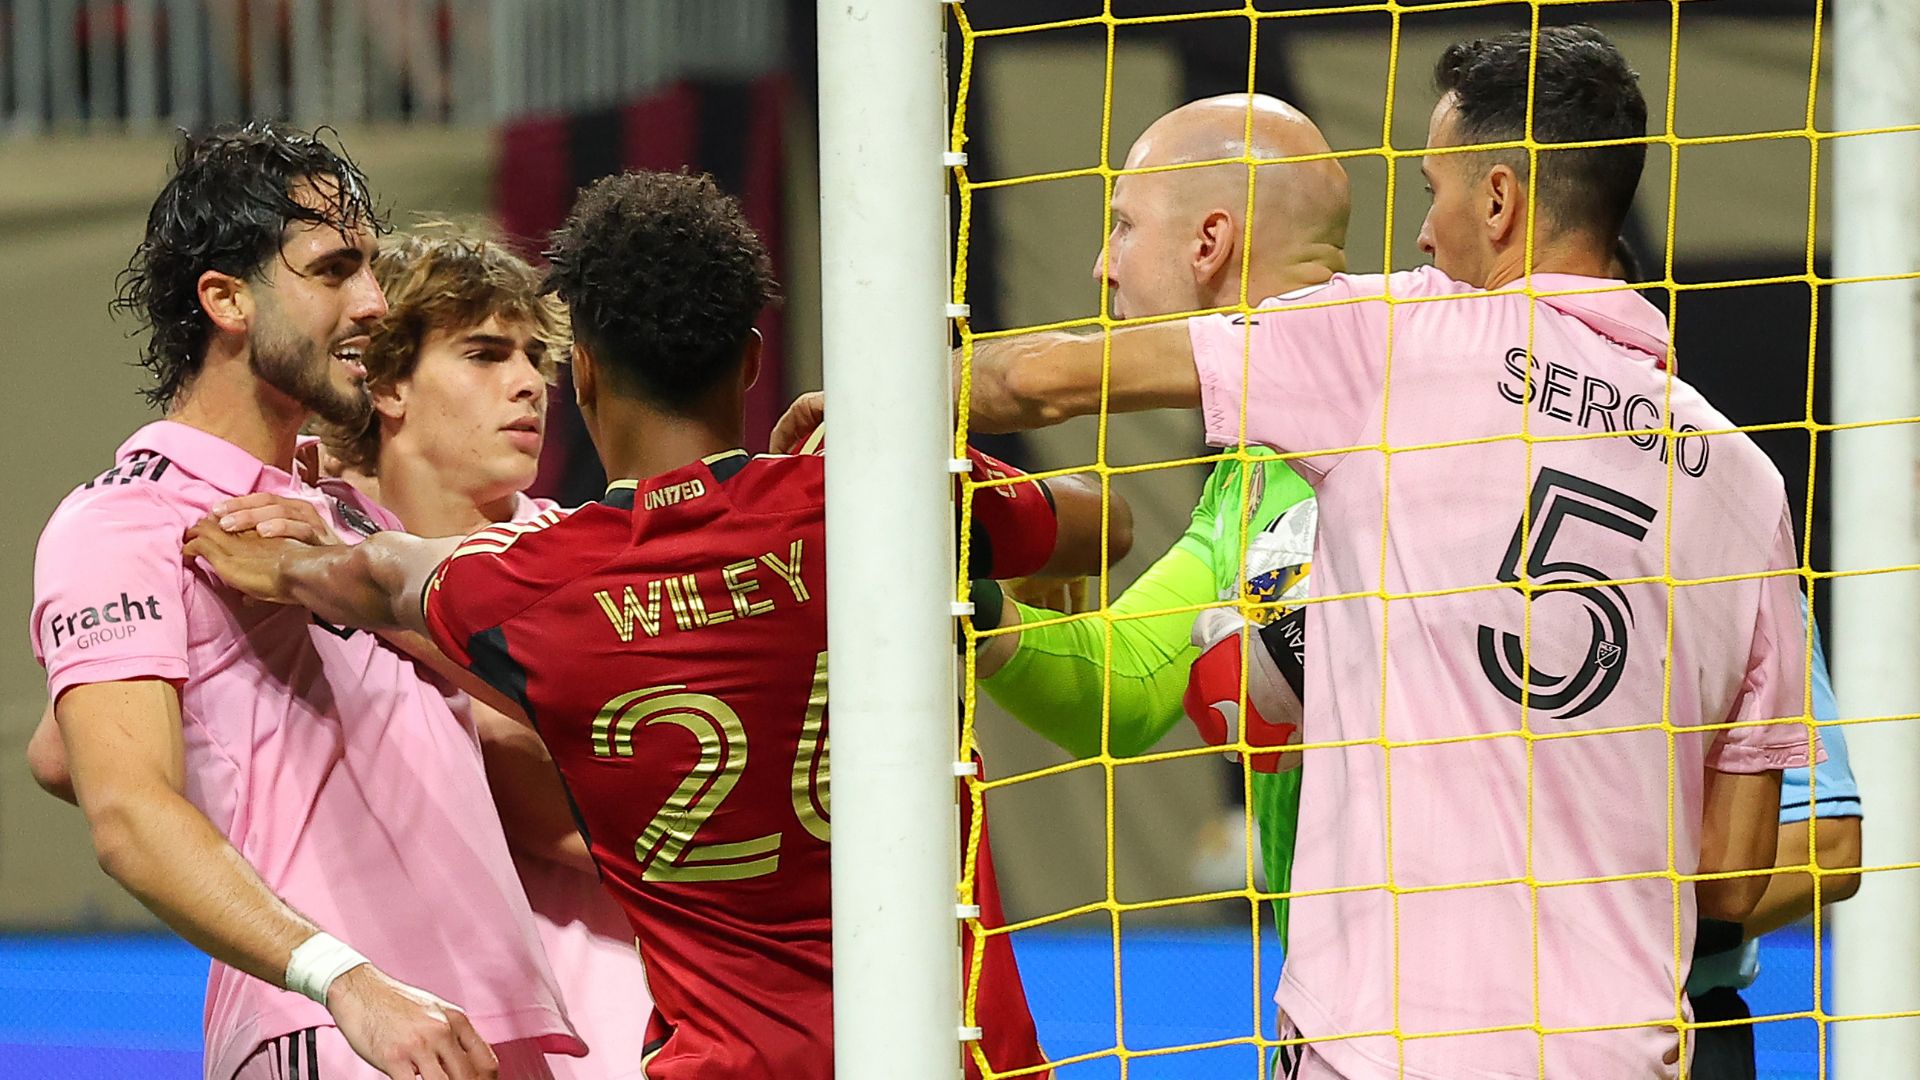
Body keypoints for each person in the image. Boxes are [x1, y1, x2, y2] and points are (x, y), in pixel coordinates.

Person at [863, 25, 1819, 1078]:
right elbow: (1733, 883)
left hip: (1386, 1041)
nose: (1418, 237)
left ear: (1497, 203)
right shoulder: (1749, 487)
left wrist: (871, 403)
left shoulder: (1393, 348)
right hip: (1625, 1049)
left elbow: (1042, 387)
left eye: (1430, 195)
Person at [182, 169, 1118, 1079]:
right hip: (959, 1047)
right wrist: (909, 426)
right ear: (753, 359)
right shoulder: (871, 499)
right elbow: (1101, 525)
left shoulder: (536, 583)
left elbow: (386, 583)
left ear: (581, 369)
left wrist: (293, 560)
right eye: (483, 355)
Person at [27, 123, 581, 1080]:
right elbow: (124, 811)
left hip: (484, 1028)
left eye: (370, 264)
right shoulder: (123, 521)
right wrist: (347, 980)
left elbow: (54, 754)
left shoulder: (340, 517)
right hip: (335, 1031)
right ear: (226, 299)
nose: (372, 304)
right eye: (333, 270)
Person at [944, 94, 1349, 955]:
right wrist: (965, 595)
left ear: (1210, 244)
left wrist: (884, 400)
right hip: (1343, 992)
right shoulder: (1258, 466)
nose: (1101, 265)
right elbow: (1128, 687)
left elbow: (1038, 381)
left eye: (1122, 225)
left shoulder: (1403, 386)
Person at [315, 230, 656, 1080]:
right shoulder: (296, 541)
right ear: (386, 381)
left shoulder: (598, 556)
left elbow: (626, 813)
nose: (529, 384)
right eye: (484, 353)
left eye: (535, 357)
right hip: (377, 1031)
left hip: (617, 1024)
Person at [1686, 600, 1863, 1080]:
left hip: (1683, 1029)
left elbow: (1827, 847)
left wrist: (1610, 935)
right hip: (1479, 1021)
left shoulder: (1739, 581)